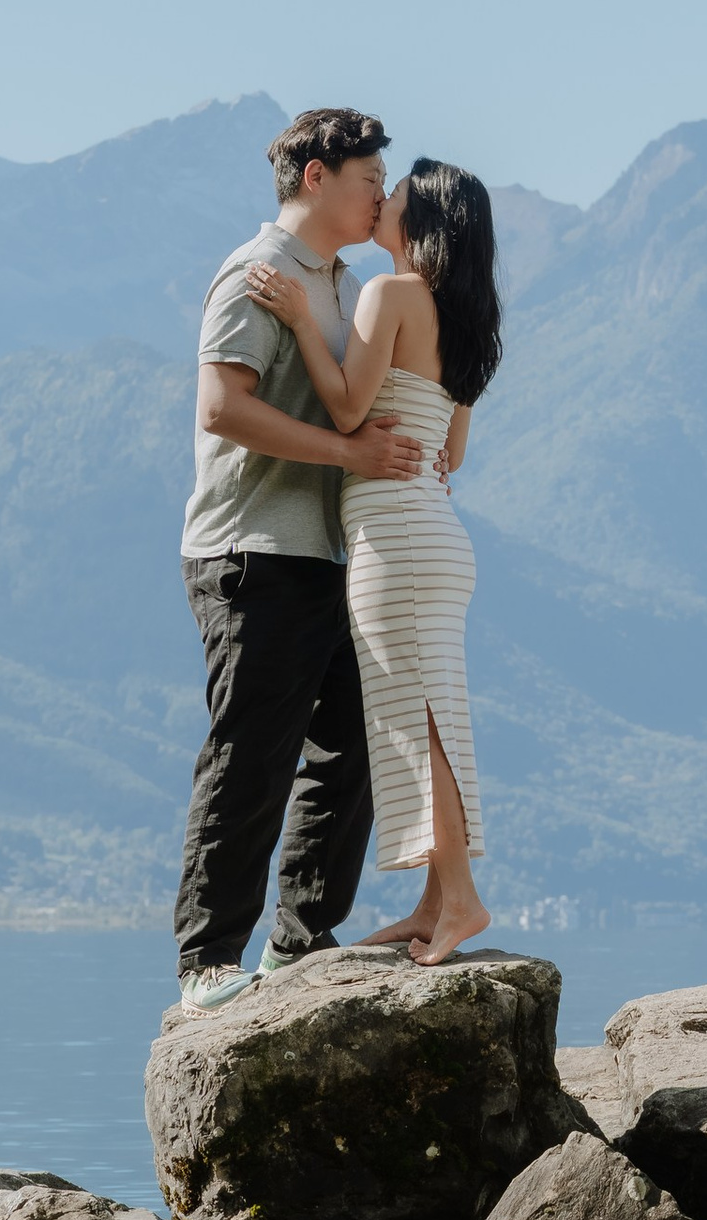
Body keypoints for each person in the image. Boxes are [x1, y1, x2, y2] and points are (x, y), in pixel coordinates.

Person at [172, 107, 424, 1014]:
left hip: (328, 552)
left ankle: (301, 937)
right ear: (317, 176)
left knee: (354, 740)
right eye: (369, 179)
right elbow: (221, 408)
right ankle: (208, 956)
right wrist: (351, 453)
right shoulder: (258, 272)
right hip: (252, 550)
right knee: (252, 754)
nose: (381, 196)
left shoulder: (343, 282)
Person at [249, 160, 501, 964]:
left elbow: (348, 408)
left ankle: (460, 898)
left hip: (394, 537)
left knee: (417, 718)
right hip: (437, 535)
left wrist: (299, 319)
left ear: (423, 221)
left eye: (395, 195)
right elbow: (452, 451)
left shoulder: (389, 294)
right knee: (436, 712)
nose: (381, 199)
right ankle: (436, 901)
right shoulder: (464, 318)